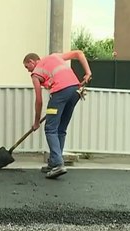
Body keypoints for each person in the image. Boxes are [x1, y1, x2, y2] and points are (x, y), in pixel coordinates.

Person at [22, 50, 91, 179]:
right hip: (76, 91)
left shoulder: (36, 74)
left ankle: (58, 164)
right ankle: (54, 162)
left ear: (32, 62)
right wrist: (88, 72)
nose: (28, 70)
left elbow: (39, 100)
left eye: (27, 67)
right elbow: (79, 53)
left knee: (50, 128)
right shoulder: (54, 56)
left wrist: (36, 122)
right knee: (61, 129)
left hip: (60, 93)